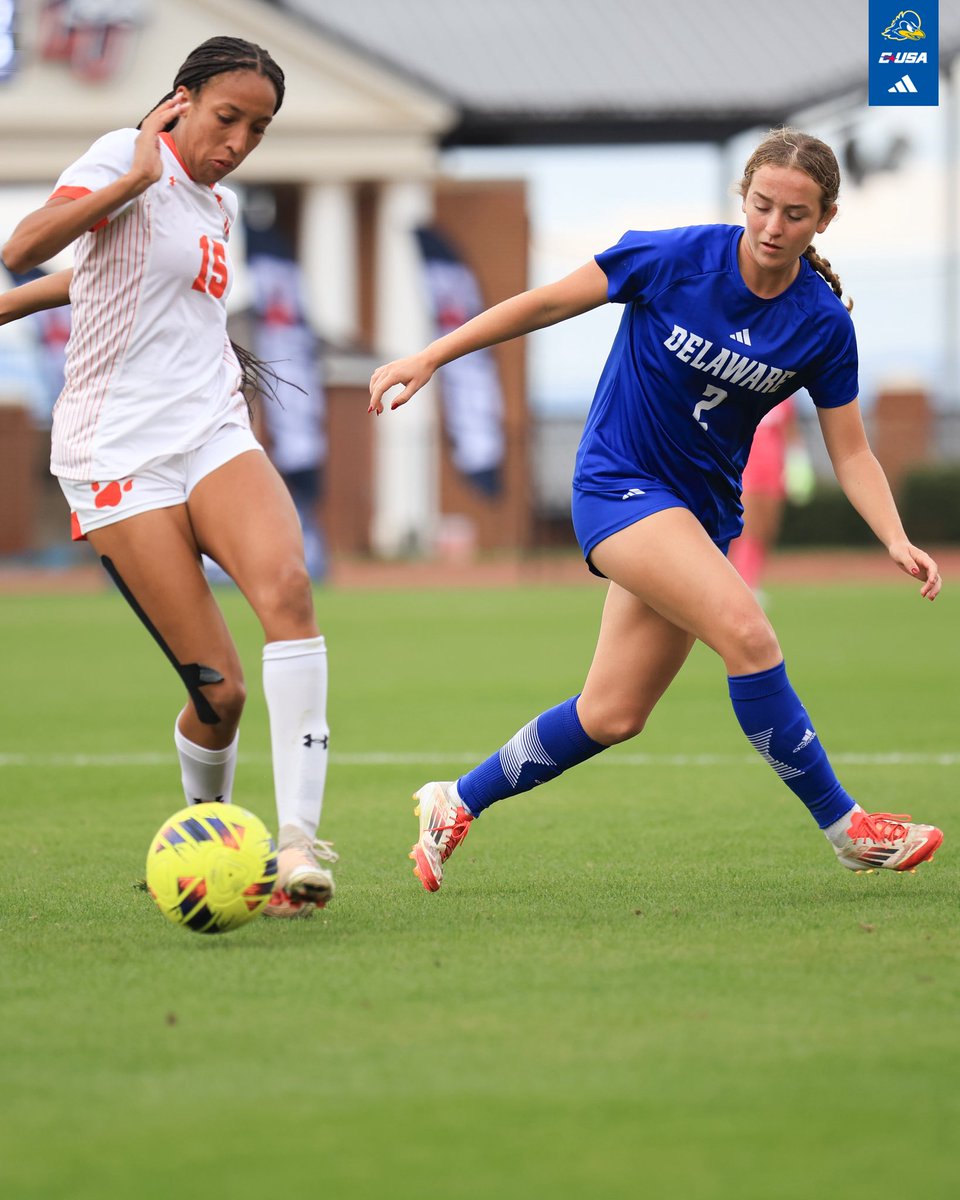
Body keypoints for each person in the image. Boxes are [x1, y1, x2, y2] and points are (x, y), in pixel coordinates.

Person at [368, 127, 944, 892]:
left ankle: (457, 799)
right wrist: (430, 355)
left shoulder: (822, 324)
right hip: (619, 486)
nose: (773, 226)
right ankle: (847, 829)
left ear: (826, 219)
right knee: (749, 634)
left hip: (700, 517)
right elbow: (545, 303)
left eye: (795, 214)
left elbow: (852, 452)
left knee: (612, 713)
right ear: (743, 197)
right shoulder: (674, 257)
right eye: (762, 205)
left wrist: (895, 536)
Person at [0, 36, 336, 918]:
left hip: (212, 430)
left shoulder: (218, 206)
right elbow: (25, 244)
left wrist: (18, 303)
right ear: (181, 99)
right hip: (115, 454)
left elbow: (123, 276)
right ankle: (210, 835)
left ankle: (298, 844)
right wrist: (133, 179)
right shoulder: (125, 155)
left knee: (289, 590)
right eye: (228, 117)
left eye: (258, 129)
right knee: (219, 695)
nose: (238, 142)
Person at [728, 394, 813, 598]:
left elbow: (790, 432)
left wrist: (798, 462)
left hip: (773, 471)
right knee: (745, 526)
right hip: (744, 469)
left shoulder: (785, 398)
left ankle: (752, 581)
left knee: (767, 529)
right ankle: (740, 584)